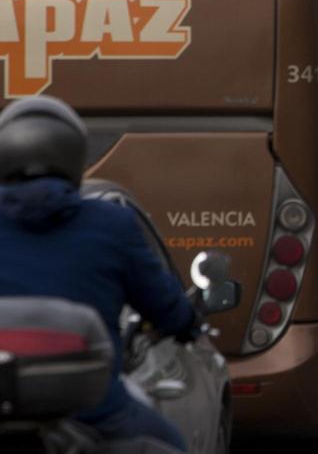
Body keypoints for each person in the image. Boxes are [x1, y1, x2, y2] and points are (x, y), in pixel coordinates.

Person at [0, 96, 198, 451]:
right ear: (75, 159)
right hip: (94, 414)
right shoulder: (112, 224)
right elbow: (165, 306)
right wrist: (186, 322)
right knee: (169, 444)